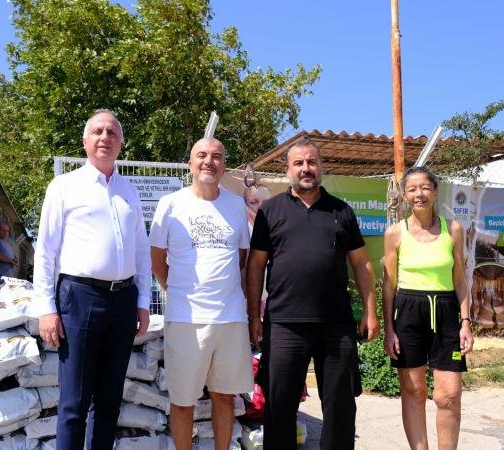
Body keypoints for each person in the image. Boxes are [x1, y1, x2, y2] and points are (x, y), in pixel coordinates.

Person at [245, 137, 380, 450]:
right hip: (284, 324)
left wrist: (371, 312)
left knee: (341, 406)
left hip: (336, 325)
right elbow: (255, 266)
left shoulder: (341, 211)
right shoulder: (270, 211)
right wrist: (255, 315)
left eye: (311, 162)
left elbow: (360, 264)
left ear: (321, 167)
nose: (306, 168)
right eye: (299, 163)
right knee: (279, 406)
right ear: (288, 169)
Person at [32, 109, 151, 450]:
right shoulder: (64, 186)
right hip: (79, 298)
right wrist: (46, 309)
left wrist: (142, 302)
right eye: (97, 131)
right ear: (85, 141)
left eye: (112, 133)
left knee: (110, 401)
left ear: (121, 144)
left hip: (123, 300)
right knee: (74, 403)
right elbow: (45, 251)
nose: (104, 138)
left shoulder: (129, 190)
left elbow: (141, 251)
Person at [150, 138, 253, 450]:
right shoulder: (170, 204)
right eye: (202, 155)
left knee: (225, 396)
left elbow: (242, 259)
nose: (210, 161)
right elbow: (157, 260)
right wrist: (179, 291)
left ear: (223, 165)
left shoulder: (236, 205)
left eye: (217, 156)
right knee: (183, 401)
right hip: (186, 319)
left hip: (231, 318)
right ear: (190, 164)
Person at [382, 166, 474, 450]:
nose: (418, 194)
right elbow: (388, 286)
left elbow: (460, 280)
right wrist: (390, 329)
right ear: (404, 194)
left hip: (446, 313)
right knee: (414, 391)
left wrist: (466, 322)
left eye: (424, 188)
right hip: (409, 313)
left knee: (448, 395)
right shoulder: (395, 233)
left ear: (435, 191)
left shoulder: (454, 229)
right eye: (412, 189)